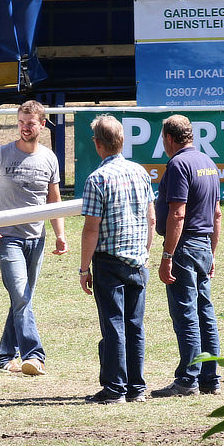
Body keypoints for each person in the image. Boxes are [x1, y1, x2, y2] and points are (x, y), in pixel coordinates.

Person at [0, 99, 67, 376]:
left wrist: (60, 234)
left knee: (22, 299)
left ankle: (5, 356)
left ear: (42, 124)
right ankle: (34, 356)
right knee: (20, 294)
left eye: (30, 123)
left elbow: (54, 200)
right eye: (20, 123)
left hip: (36, 238)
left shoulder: (49, 158)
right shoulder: (1, 155)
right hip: (6, 238)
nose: (25, 128)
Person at [79, 115, 156, 405]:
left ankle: (114, 388)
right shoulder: (140, 172)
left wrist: (83, 268)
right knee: (135, 326)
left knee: (113, 326)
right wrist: (145, 252)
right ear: (122, 141)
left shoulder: (96, 179)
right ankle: (136, 387)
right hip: (138, 261)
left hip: (109, 261)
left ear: (97, 144)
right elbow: (151, 218)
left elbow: (91, 228)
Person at [151, 114, 222, 398]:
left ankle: (187, 379)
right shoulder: (208, 163)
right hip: (203, 244)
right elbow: (217, 213)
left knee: (186, 315)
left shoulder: (178, 165)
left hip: (184, 247)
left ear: (169, 138)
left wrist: (167, 254)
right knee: (205, 313)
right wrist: (211, 252)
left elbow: (178, 214)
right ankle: (210, 378)